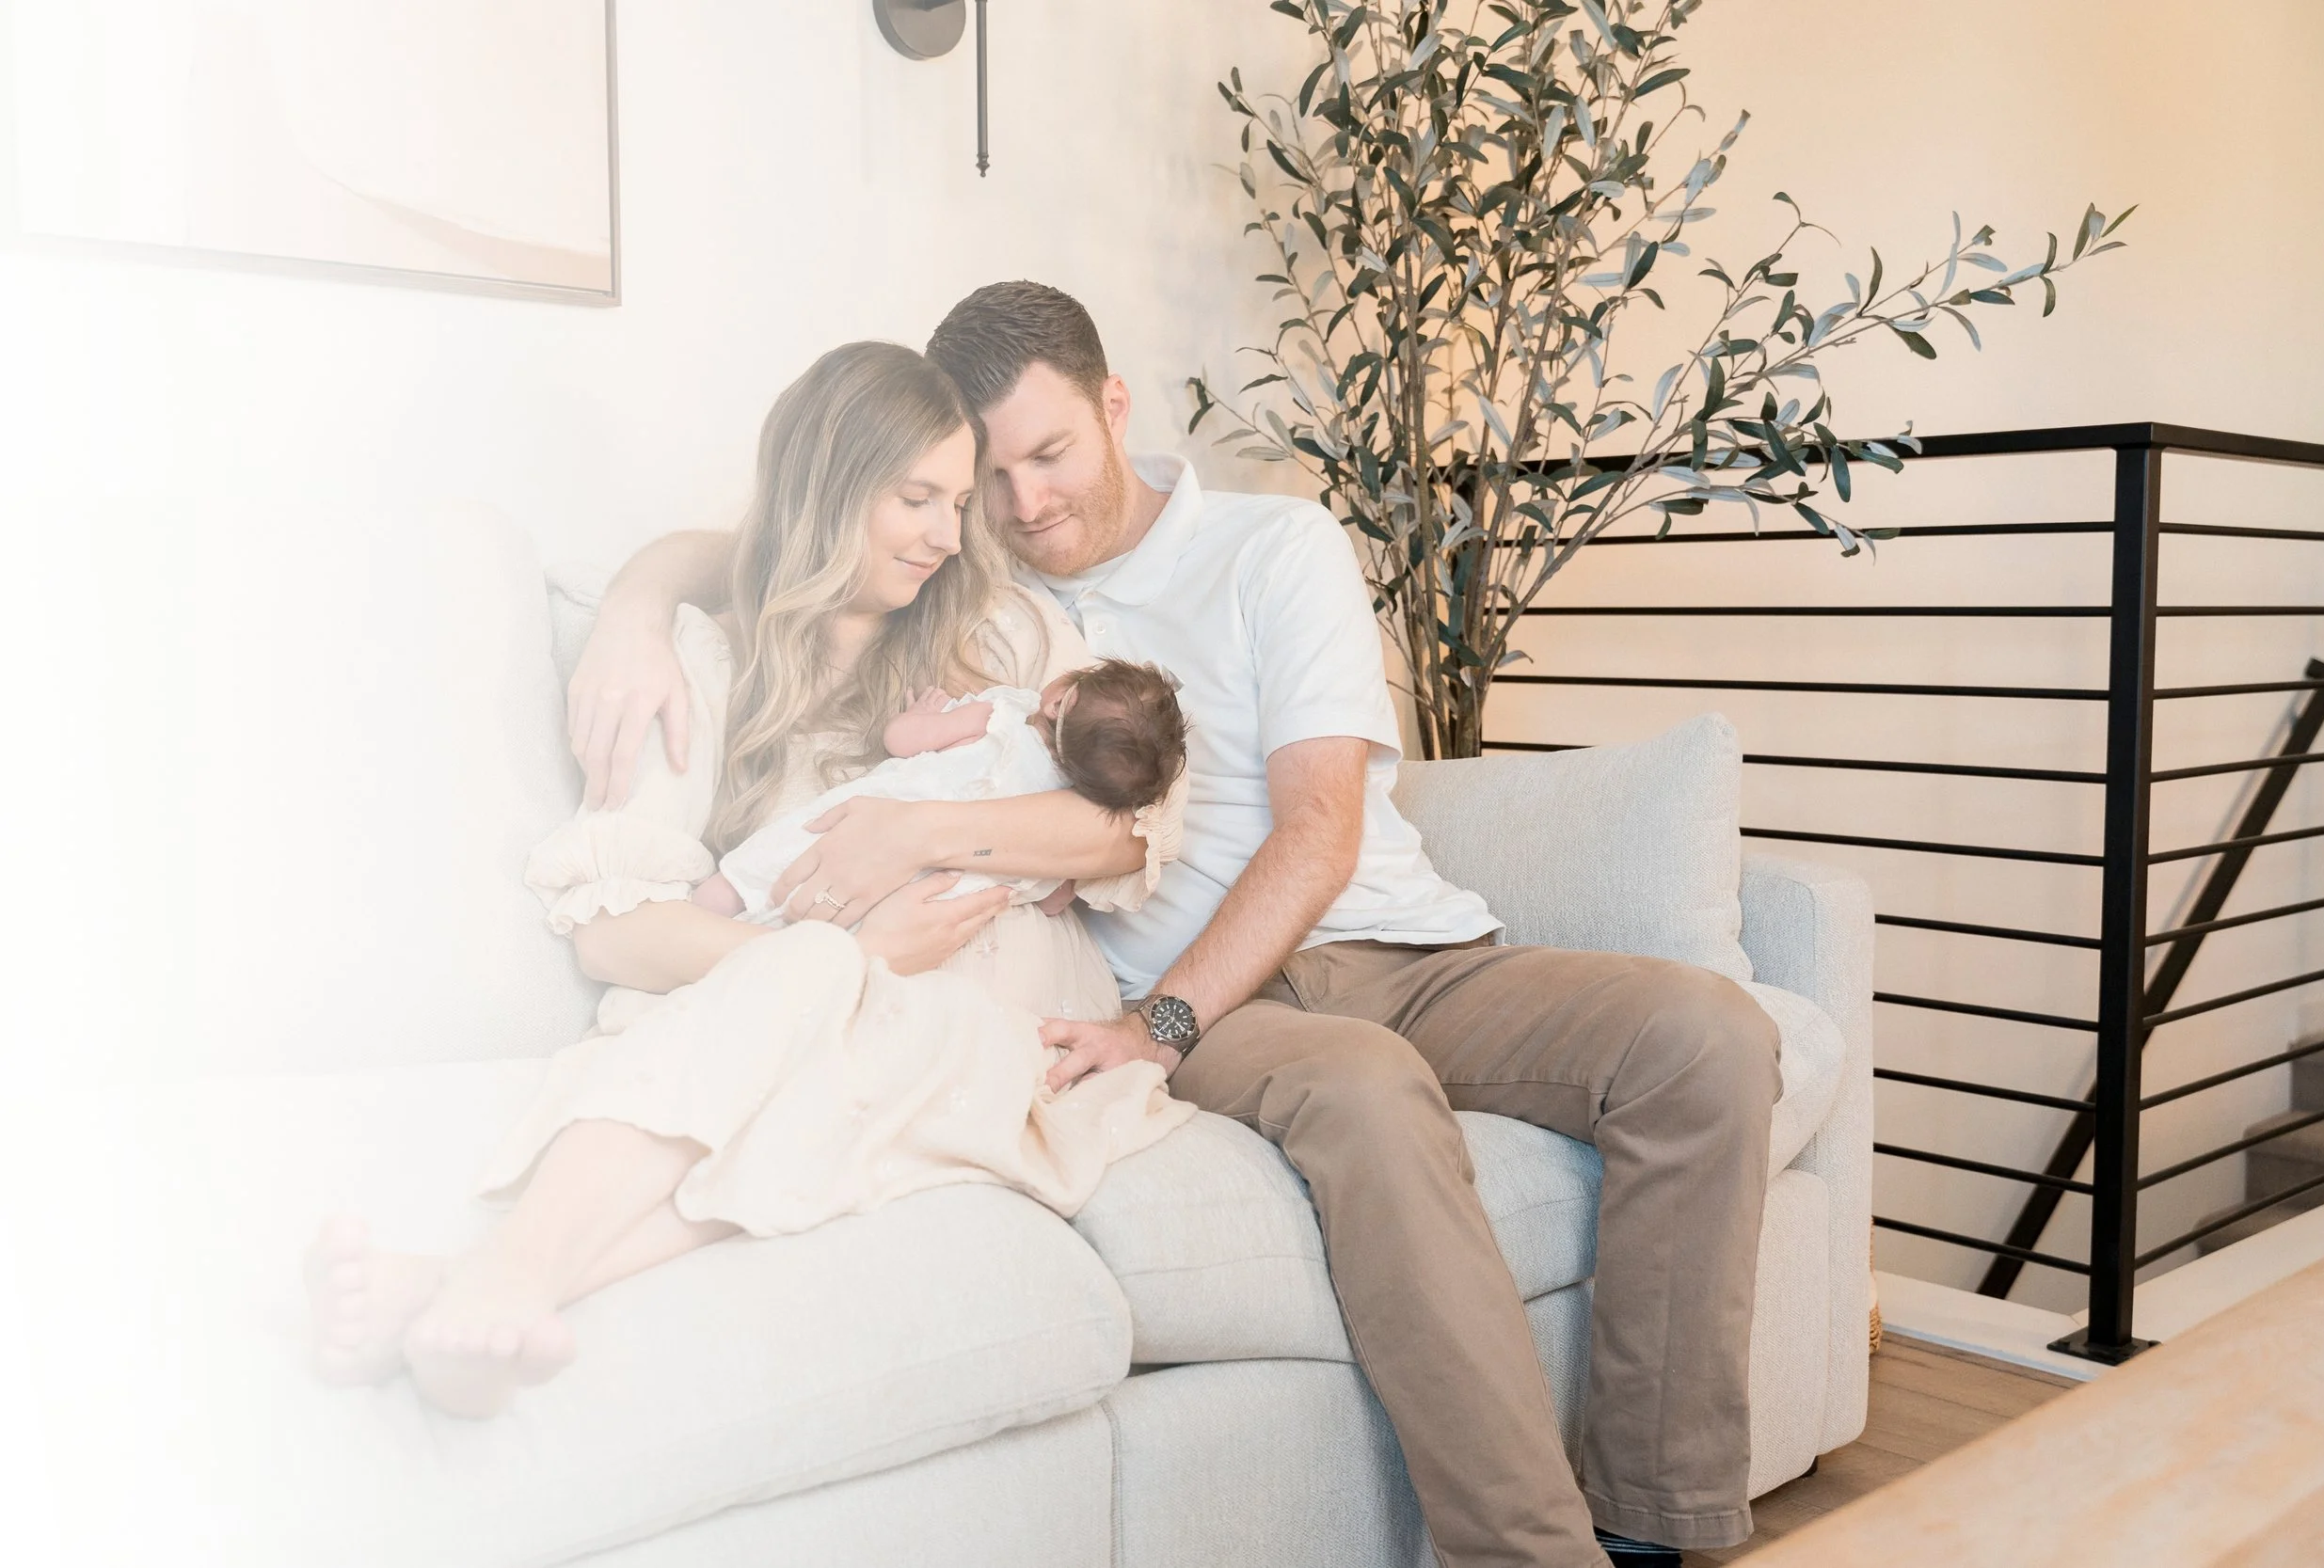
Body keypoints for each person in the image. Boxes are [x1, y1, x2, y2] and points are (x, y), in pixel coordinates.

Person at [566, 286, 1782, 1568]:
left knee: (1706, 1035)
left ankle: (1649, 1519)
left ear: (1115, 407)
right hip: (1219, 1011)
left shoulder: (1273, 546)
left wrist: (1161, 1015)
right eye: (992, 477)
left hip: (1408, 949)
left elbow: (1322, 827)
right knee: (1367, 1090)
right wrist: (633, 610)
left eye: (1052, 454)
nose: (1027, 502)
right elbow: (791, 533)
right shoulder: (984, 598)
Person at [304, 341, 1191, 1422]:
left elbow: (1125, 825)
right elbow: (614, 929)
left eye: (958, 502)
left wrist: (917, 831)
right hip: (844, 1020)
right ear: (828, 485)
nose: (947, 535)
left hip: (1009, 1042)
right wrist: (849, 958)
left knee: (809, 1012)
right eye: (915, 498)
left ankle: (482, 1280)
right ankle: (486, 1297)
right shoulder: (707, 661)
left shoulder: (1001, 633)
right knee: (806, 1007)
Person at [699, 657, 1188, 924]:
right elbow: (1051, 902)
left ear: (1060, 701)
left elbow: (901, 741)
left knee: (781, 856)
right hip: (919, 901)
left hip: (877, 822)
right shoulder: (1064, 819)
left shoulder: (1001, 718)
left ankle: (708, 906)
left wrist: (924, 714)